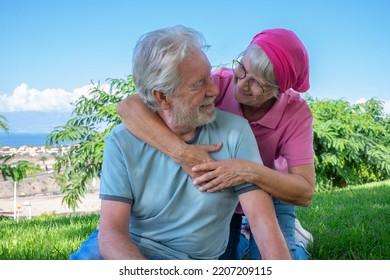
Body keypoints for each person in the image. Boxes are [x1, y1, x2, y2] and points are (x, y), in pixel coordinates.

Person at [69, 25, 291, 260]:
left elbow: (263, 222)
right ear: (162, 97)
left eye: (209, 76)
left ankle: (246, 236)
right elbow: (111, 233)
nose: (214, 90)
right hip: (128, 251)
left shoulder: (235, 133)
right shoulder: (121, 140)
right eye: (199, 84)